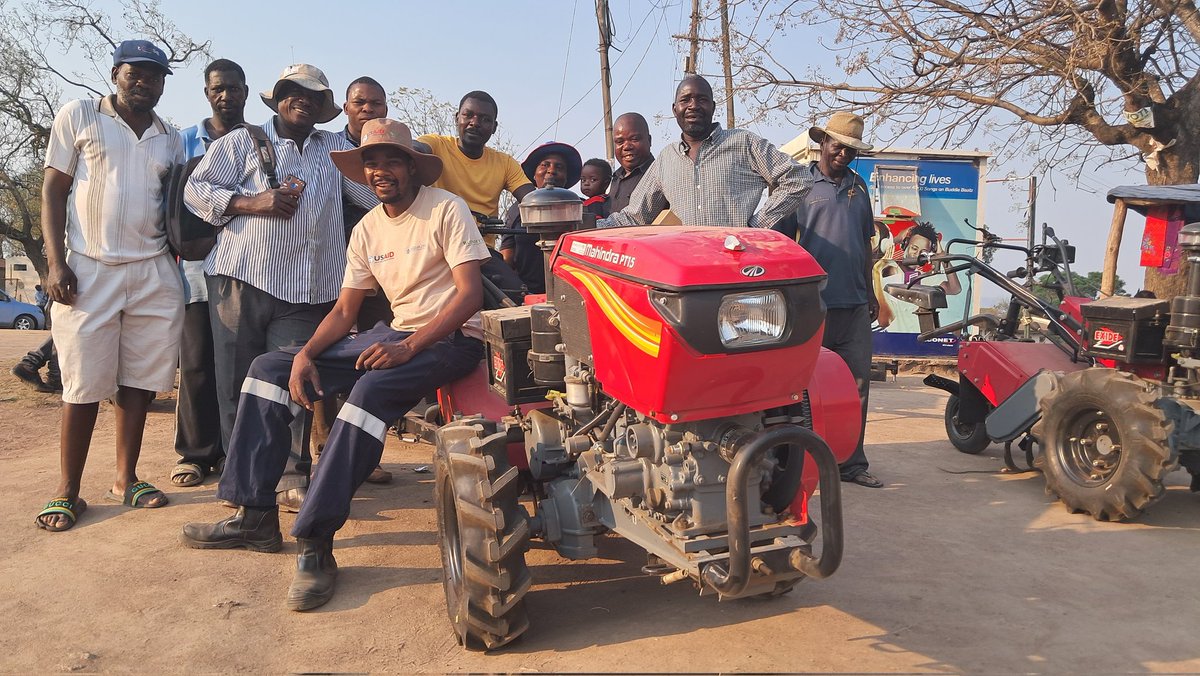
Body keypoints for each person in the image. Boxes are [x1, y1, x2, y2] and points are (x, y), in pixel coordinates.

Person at [182, 118, 489, 612]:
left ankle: (315, 542)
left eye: (392, 160)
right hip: (395, 333)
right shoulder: (368, 227)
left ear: (413, 167)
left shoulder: (445, 209)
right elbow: (346, 311)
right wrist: (305, 354)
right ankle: (254, 513)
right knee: (267, 369)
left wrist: (409, 349)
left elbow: (470, 295)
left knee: (366, 398)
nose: (380, 171)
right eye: (371, 162)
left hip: (450, 338)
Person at [184, 64, 378, 513]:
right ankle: (244, 481)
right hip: (242, 277)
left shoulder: (335, 149)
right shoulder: (242, 141)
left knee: (296, 383)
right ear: (278, 98)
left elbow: (371, 200)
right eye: (294, 92)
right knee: (237, 384)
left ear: (323, 106)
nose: (303, 100)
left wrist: (399, 174)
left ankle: (291, 477)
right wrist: (253, 201)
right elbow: (197, 190)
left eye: (313, 95)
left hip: (309, 288)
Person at [34, 40, 184, 531]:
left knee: (137, 381)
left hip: (153, 269)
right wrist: (55, 264)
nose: (143, 81)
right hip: (88, 269)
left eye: (154, 75)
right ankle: (68, 491)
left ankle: (127, 478)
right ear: (116, 74)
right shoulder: (80, 115)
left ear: (164, 83)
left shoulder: (170, 137)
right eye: (133, 73)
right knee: (80, 383)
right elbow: (53, 191)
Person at [773, 111, 882, 488]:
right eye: (838, 145)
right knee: (804, 389)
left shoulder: (859, 187)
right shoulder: (799, 185)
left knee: (856, 387)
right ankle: (803, 464)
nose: (844, 154)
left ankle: (851, 464)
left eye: (851, 149)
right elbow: (782, 245)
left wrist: (871, 293)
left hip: (853, 305)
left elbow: (865, 247)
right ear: (822, 142)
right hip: (811, 305)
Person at [171, 58, 249, 489]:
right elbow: (167, 202)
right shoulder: (183, 141)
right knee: (197, 363)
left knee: (238, 367)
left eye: (234, 88)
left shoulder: (259, 142)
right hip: (195, 272)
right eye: (218, 88)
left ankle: (237, 452)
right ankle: (196, 454)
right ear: (207, 93)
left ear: (245, 91)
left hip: (243, 271)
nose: (226, 95)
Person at [599, 75, 809, 229]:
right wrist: (585, 226)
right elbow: (635, 216)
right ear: (675, 109)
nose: (693, 106)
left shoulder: (743, 143)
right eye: (686, 100)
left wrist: (755, 226)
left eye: (702, 99)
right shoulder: (666, 159)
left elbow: (799, 178)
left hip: (738, 265)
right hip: (689, 271)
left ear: (713, 106)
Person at [416, 90, 533, 221]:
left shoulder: (506, 163)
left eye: (485, 119)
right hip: (437, 238)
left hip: (482, 241)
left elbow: (532, 199)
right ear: (457, 118)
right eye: (468, 115)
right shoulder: (436, 144)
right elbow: (416, 149)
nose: (475, 123)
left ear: (494, 127)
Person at [499, 142, 583, 294]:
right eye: (545, 165)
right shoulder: (518, 209)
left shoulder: (579, 207)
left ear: (567, 176)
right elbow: (507, 257)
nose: (551, 171)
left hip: (572, 293)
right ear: (534, 173)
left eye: (559, 167)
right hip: (528, 295)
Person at [874, 221, 962, 331]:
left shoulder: (925, 280)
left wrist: (942, 256)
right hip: (887, 340)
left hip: (916, 342)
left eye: (923, 252)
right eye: (914, 248)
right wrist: (896, 239)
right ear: (905, 245)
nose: (917, 254)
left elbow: (955, 289)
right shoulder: (885, 266)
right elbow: (870, 256)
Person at [606, 112, 655, 213]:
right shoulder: (614, 178)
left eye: (634, 139)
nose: (627, 147)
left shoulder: (657, 175)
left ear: (649, 140)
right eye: (620, 142)